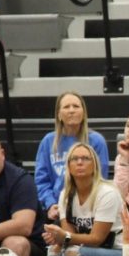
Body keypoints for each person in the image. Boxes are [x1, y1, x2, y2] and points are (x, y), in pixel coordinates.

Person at [40, 144, 123, 256]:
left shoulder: (107, 193)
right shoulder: (66, 195)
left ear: (94, 164)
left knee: (75, 253)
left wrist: (65, 237)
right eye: (74, 159)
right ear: (68, 166)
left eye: (85, 158)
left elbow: (96, 239)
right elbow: (68, 235)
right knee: (54, 251)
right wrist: (58, 239)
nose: (79, 162)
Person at [34, 92, 111, 223]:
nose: (71, 110)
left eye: (76, 106)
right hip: (55, 207)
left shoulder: (97, 141)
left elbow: (100, 178)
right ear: (58, 114)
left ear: (83, 113)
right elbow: (41, 180)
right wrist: (50, 204)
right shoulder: (48, 141)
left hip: (87, 208)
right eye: (66, 107)